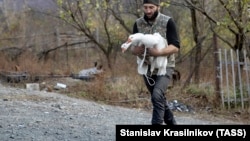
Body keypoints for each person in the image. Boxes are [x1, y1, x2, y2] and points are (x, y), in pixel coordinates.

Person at [130, 0, 180, 125]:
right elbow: (132, 47)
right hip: (146, 67)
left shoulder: (168, 21)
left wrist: (159, 52)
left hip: (165, 66)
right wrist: (136, 50)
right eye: (145, 7)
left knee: (157, 95)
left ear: (158, 6)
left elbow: (175, 46)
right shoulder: (138, 23)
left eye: (151, 7)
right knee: (159, 99)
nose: (148, 11)